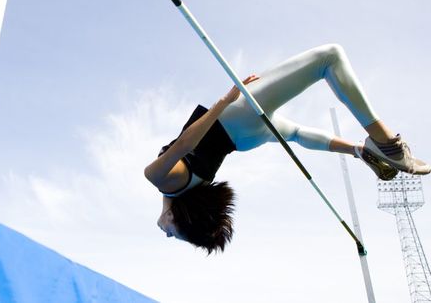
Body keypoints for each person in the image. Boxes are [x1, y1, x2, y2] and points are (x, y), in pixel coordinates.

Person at [145, 44, 429, 253]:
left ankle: (358, 151)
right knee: (329, 57)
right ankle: (387, 144)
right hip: (234, 118)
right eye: (174, 233)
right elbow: (185, 144)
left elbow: (176, 183)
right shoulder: (161, 180)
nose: (167, 234)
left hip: (242, 142)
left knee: (296, 134)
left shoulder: (180, 190)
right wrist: (225, 100)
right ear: (175, 216)